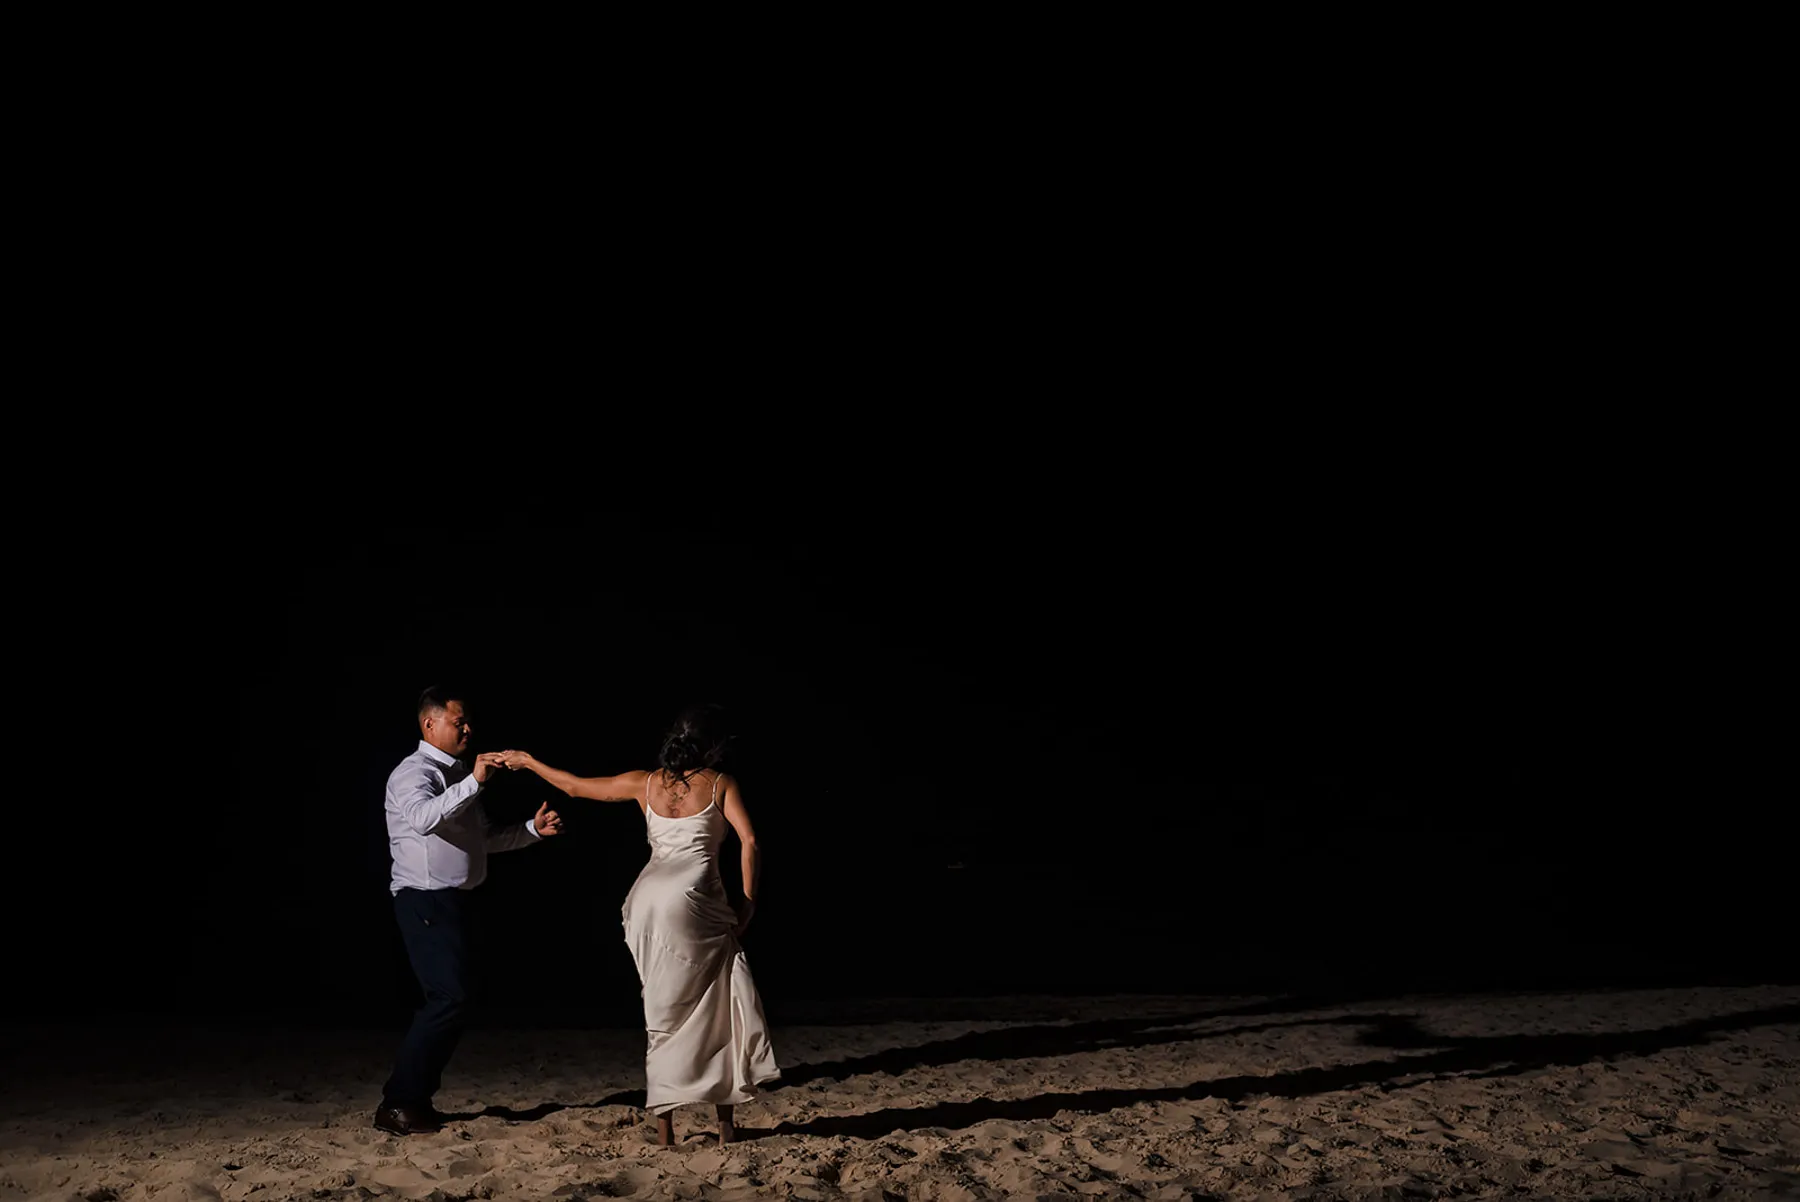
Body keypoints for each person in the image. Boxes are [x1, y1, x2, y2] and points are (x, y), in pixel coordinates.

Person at [499, 703, 778, 1145]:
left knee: (661, 1009)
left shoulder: (643, 783)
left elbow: (573, 787)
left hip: (645, 899)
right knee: (718, 1005)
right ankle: (725, 1128)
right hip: (692, 897)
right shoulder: (722, 784)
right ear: (712, 746)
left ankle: (665, 1132)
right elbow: (751, 841)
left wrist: (529, 761)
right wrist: (747, 903)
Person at [374, 686, 565, 1137]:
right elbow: (422, 818)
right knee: (447, 998)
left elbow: (485, 840)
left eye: (467, 722)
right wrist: (475, 782)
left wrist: (531, 831)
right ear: (430, 724)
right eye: (458, 722)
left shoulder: (458, 775)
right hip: (424, 899)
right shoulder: (412, 772)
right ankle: (398, 1103)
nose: (468, 729)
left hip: (454, 901)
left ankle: (413, 1100)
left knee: (455, 1001)